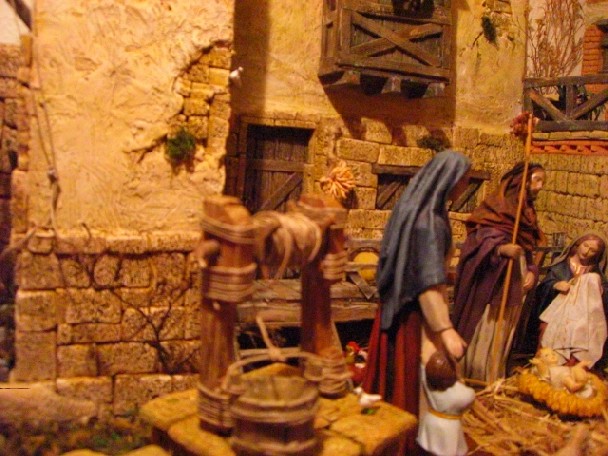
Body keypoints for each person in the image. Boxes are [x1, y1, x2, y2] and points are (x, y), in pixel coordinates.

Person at [361, 150, 471, 453]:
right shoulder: (428, 222)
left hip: (404, 308)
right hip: (414, 314)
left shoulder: (422, 212)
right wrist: (445, 329)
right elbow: (427, 283)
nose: (465, 185)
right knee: (410, 381)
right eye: (463, 179)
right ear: (448, 180)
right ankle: (406, 442)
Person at [451, 160, 547, 382]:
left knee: (503, 329)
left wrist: (531, 270)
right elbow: (477, 240)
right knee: (487, 326)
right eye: (537, 180)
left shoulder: (526, 212)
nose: (540, 187)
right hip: (492, 281)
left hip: (515, 278)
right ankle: (475, 375)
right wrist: (500, 249)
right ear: (522, 182)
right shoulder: (498, 206)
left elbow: (529, 248)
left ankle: (493, 375)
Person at [536, 232, 608, 367]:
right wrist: (555, 285)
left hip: (582, 315)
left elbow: (601, 300)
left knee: (583, 333)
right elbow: (543, 287)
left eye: (592, 250)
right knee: (546, 328)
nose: (586, 252)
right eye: (585, 246)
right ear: (578, 244)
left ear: (597, 254)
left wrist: (598, 290)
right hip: (557, 312)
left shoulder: (595, 273)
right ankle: (549, 364)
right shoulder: (560, 267)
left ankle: (573, 367)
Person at [417, 351, 475, 456]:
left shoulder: (428, 384)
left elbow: (423, 371)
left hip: (431, 421)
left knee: (431, 448)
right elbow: (470, 397)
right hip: (450, 426)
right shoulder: (462, 393)